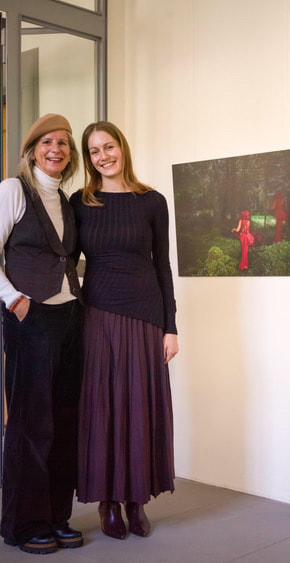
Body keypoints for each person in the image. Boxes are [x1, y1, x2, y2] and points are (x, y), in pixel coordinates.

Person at [70, 121, 178, 540]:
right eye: (94, 151)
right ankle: (108, 501)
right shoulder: (81, 203)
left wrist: (171, 327)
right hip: (97, 315)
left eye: (109, 147)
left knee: (138, 407)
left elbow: (162, 267)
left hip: (146, 317)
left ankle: (136, 499)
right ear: (89, 159)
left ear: (122, 148)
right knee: (103, 408)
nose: (103, 157)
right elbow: (66, 262)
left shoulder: (152, 201)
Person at [0, 114, 83, 555]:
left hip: (70, 317)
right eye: (47, 142)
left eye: (64, 143)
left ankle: (55, 517)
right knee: (31, 423)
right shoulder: (12, 191)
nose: (56, 149)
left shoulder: (66, 200)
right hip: (30, 319)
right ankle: (23, 523)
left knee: (64, 420)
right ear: (32, 150)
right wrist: (14, 298)